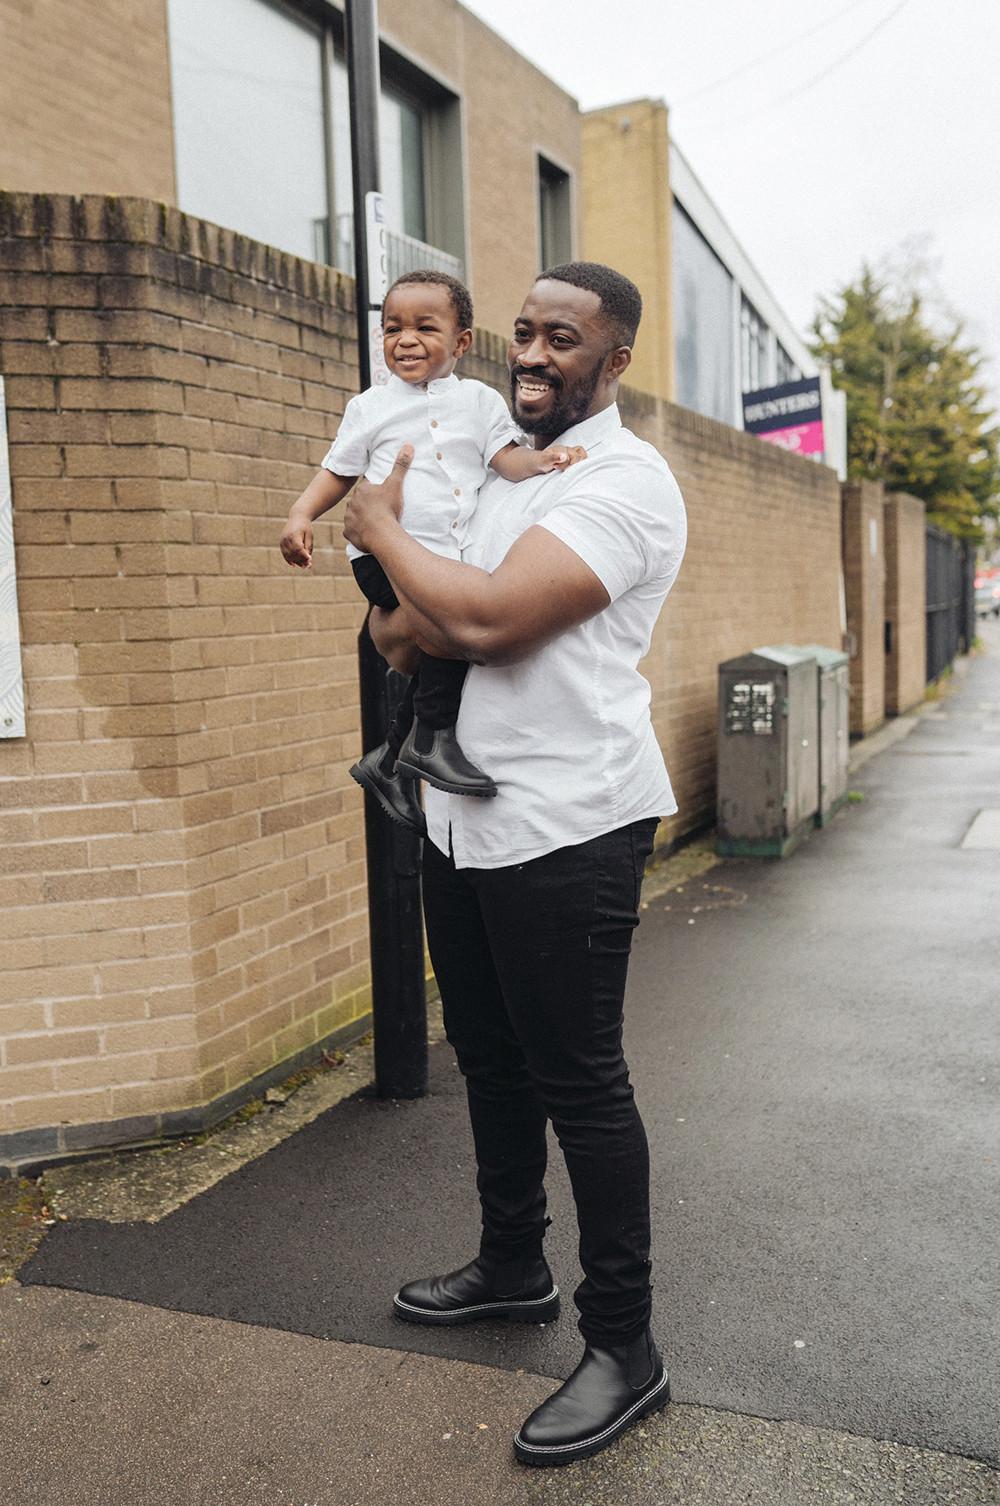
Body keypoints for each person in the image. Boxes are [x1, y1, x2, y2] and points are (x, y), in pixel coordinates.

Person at [343, 261, 687, 1468]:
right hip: (463, 811)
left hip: (571, 821)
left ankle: (623, 1348)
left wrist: (384, 533)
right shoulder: (497, 475)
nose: (533, 358)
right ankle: (508, 1263)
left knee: (580, 1080)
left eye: (564, 340)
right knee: (486, 1056)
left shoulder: (622, 484)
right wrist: (424, 589)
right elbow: (399, 629)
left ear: (615, 359)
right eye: (525, 335)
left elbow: (480, 621)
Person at [279, 269, 584, 831]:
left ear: (462, 342)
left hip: (445, 557)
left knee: (445, 638)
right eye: (392, 328)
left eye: (425, 327)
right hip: (380, 558)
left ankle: (390, 757)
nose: (406, 339)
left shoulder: (480, 402)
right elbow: (337, 472)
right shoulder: (370, 407)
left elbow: (504, 459)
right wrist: (301, 514)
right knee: (449, 630)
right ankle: (430, 742)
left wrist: (541, 461)